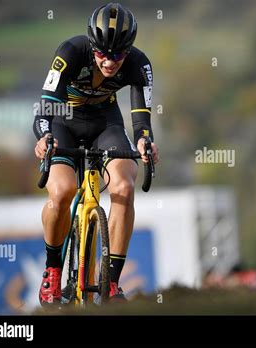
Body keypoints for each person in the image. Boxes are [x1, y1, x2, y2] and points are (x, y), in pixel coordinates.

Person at [32, 3, 159, 305]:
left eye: (118, 54)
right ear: (92, 45)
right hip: (62, 122)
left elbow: (141, 119)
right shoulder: (71, 51)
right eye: (102, 53)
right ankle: (52, 270)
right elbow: (47, 102)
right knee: (63, 191)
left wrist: (144, 142)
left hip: (106, 124)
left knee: (124, 187)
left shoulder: (139, 64)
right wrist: (43, 136)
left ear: (128, 50)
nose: (110, 61)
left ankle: (111, 283)